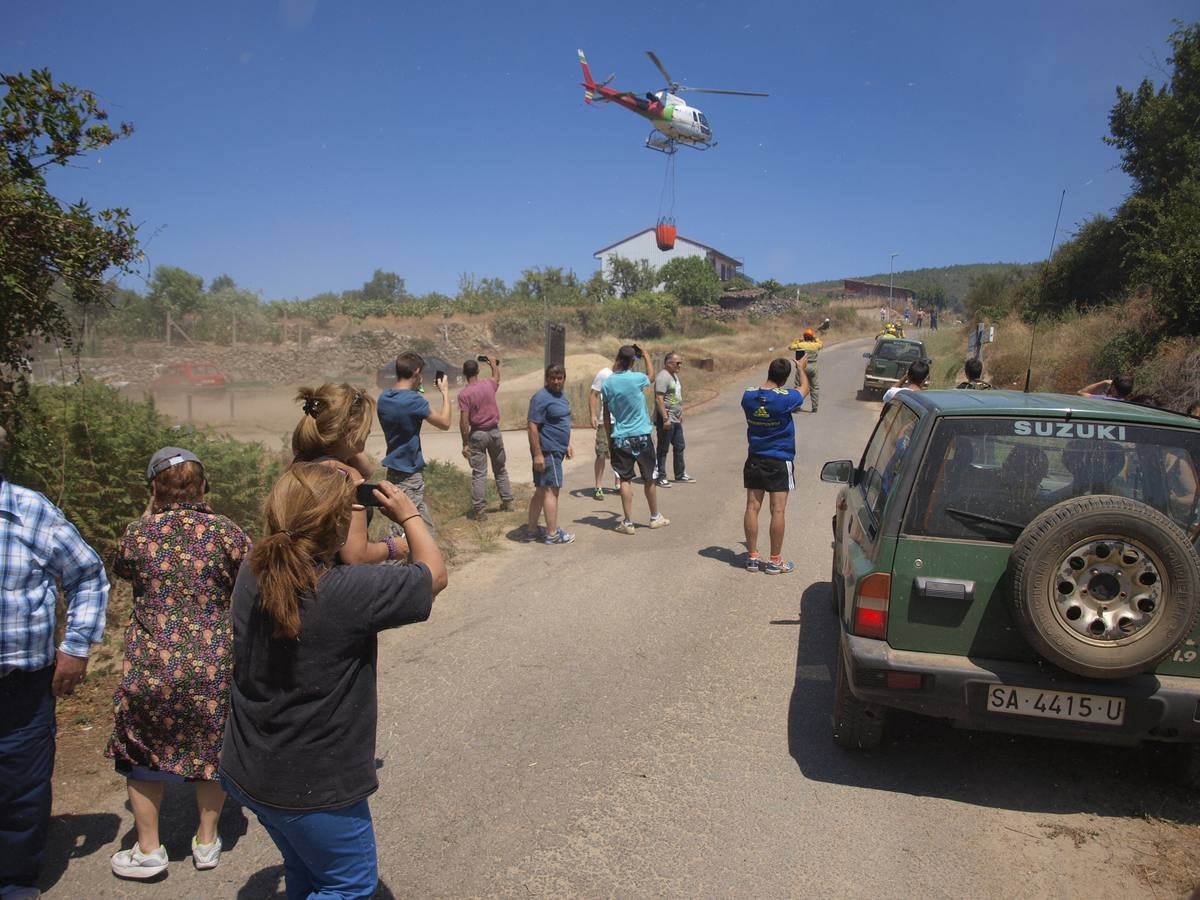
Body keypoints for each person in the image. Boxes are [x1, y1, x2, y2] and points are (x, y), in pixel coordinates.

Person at [219, 464, 447, 899]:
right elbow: (434, 575)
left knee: (305, 868)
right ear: (340, 524)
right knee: (350, 886)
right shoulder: (346, 591)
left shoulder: (254, 568)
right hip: (312, 786)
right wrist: (409, 515)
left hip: (248, 765)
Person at [107, 447, 251, 880]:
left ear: (154, 488)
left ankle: (149, 849)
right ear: (204, 486)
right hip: (212, 663)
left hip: (153, 663)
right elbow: (248, 586)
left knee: (141, 750)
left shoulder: (138, 534)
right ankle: (206, 841)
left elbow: (125, 571)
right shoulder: (228, 533)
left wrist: (150, 516)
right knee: (211, 748)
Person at [0, 425, 109, 898]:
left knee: (21, 789)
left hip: (20, 685)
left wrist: (76, 647)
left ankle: (15, 878)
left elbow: (86, 574)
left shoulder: (29, 511)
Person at [293, 383, 404, 563]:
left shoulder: (300, 464)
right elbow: (356, 556)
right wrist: (392, 547)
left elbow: (368, 470)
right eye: (365, 425)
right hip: (333, 579)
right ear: (349, 430)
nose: (368, 431)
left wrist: (347, 445)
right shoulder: (347, 476)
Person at [741, 357, 810, 574]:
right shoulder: (785, 399)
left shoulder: (748, 395)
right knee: (777, 510)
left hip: (755, 457)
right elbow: (805, 388)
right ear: (785, 378)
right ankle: (774, 561)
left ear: (769, 371)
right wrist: (801, 368)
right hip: (779, 459)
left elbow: (761, 394)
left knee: (752, 507)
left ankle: (752, 557)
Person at [378, 351, 452, 530]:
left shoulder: (384, 398)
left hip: (393, 470)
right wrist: (445, 393)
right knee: (403, 530)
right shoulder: (414, 401)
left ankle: (429, 557)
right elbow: (445, 423)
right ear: (417, 372)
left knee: (425, 528)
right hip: (409, 474)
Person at [602, 344, 670, 534]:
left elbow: (606, 415)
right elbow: (651, 376)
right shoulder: (637, 378)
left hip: (621, 437)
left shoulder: (608, 383)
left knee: (625, 479)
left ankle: (628, 522)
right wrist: (647, 355)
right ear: (633, 361)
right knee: (650, 478)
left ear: (617, 358)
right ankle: (655, 516)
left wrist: (609, 437)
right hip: (641, 434)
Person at [458, 356, 514, 521]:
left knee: (479, 473)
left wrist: (465, 442)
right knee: (500, 469)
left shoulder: (464, 394)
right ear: (477, 371)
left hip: (477, 434)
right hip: (495, 432)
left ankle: (480, 511)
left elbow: (464, 421)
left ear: (464, 373)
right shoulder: (488, 385)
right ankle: (508, 501)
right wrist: (493, 363)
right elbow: (497, 377)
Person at [525, 364, 576, 545]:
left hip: (557, 449)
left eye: (559, 377)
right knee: (550, 492)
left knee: (541, 491)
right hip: (548, 452)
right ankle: (552, 534)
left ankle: (531, 530)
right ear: (547, 378)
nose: (556, 381)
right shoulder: (541, 397)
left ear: (564, 378)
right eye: (553, 378)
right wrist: (538, 454)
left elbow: (561, 421)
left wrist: (567, 444)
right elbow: (532, 426)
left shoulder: (561, 395)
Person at [653, 351, 694, 487]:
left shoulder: (674, 376)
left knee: (679, 446)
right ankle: (661, 476)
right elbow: (659, 399)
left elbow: (675, 395)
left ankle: (680, 474)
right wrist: (665, 418)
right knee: (663, 449)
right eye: (677, 363)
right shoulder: (663, 377)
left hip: (675, 418)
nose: (680, 365)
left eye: (681, 363)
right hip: (666, 418)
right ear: (668, 363)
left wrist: (679, 413)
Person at [588, 363, 617, 501]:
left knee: (620, 453)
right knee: (601, 453)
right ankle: (598, 486)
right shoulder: (604, 373)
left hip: (622, 421)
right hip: (605, 420)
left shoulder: (627, 374)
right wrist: (593, 415)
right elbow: (594, 393)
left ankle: (619, 483)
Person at [790, 327, 823, 412]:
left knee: (798, 387)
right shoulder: (815, 345)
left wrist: (797, 340)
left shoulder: (801, 345)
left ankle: (796, 407)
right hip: (813, 367)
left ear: (804, 337)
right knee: (814, 387)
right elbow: (821, 344)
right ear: (812, 337)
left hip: (802, 367)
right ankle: (815, 407)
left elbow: (791, 347)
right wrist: (815, 337)